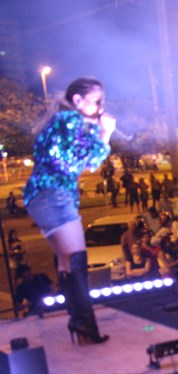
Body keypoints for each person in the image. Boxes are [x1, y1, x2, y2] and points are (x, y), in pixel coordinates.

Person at [23, 77, 115, 343]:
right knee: (76, 260)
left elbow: (88, 162)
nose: (101, 107)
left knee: (66, 262)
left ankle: (79, 322)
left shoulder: (64, 121)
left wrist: (97, 132)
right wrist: (105, 133)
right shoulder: (70, 121)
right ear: (78, 100)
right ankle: (85, 325)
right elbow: (83, 161)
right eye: (97, 101)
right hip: (54, 195)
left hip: (41, 195)